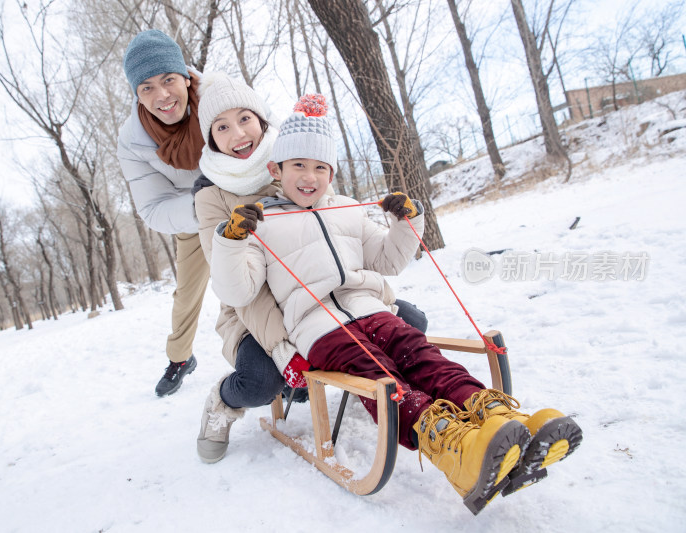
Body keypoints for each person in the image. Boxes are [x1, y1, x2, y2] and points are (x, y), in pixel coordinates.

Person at [208, 94, 583, 515]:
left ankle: (499, 422)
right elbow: (238, 292)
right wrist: (230, 241)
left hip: (372, 309)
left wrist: (408, 223)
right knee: (380, 377)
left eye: (320, 167)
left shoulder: (348, 210)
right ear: (277, 170)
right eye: (298, 166)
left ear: (332, 172)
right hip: (319, 330)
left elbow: (387, 260)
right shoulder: (261, 224)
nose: (309, 176)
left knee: (425, 358)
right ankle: (452, 447)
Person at [191, 74, 429, 464]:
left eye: (245, 118)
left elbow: (336, 237)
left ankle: (367, 381)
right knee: (262, 382)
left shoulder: (298, 155)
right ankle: (223, 402)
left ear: (262, 120)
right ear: (212, 138)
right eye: (222, 126)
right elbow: (240, 287)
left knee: (411, 320)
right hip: (255, 310)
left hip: (325, 297)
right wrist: (285, 347)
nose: (237, 133)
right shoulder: (211, 195)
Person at [117, 29, 206, 396]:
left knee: (260, 284)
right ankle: (180, 358)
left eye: (168, 80)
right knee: (186, 293)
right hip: (193, 213)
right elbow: (153, 209)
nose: (162, 95)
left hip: (246, 206)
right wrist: (205, 204)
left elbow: (267, 139)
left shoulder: (220, 98)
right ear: (137, 94)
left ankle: (283, 357)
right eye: (147, 87)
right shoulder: (133, 141)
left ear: (185, 77)